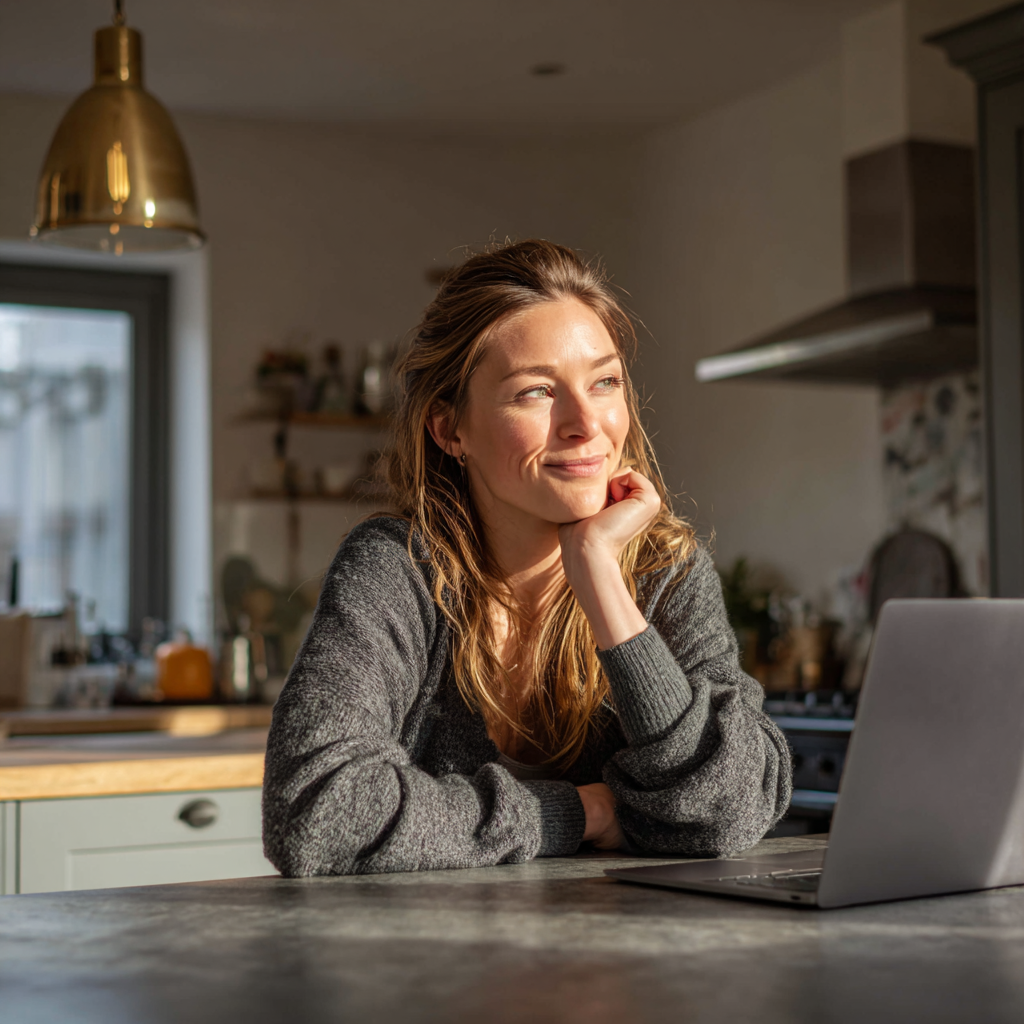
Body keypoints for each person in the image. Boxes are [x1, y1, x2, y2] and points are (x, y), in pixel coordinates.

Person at [262, 239, 791, 876]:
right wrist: (579, 813)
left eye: (605, 382)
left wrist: (600, 577)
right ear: (450, 430)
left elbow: (731, 806)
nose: (585, 423)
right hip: (424, 967)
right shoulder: (397, 569)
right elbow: (315, 813)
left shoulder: (662, 572)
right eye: (536, 392)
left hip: (628, 964)